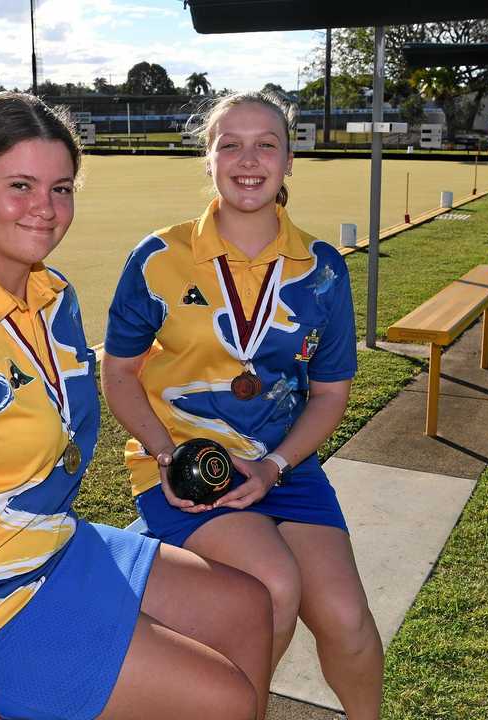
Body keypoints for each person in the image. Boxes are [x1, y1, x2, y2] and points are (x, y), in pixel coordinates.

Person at [0, 92, 272, 720]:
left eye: (62, 188)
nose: (46, 210)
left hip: (48, 545)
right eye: (21, 185)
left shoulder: (53, 296)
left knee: (248, 606)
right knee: (223, 700)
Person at [101, 91, 384, 719]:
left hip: (285, 465)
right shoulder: (158, 259)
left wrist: (275, 466)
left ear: (288, 160)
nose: (247, 158)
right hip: (186, 468)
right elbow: (118, 373)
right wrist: (168, 455)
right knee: (274, 585)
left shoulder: (324, 270)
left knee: (347, 621)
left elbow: (332, 391)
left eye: (266, 144)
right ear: (208, 159)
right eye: (229, 143)